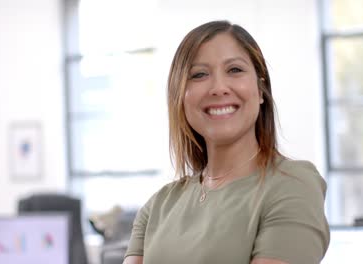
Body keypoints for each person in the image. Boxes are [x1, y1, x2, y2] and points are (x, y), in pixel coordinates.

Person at [123, 20, 330, 264]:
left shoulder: (293, 185)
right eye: (199, 74)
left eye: (234, 70)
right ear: (180, 97)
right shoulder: (158, 206)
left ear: (260, 88)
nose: (219, 88)